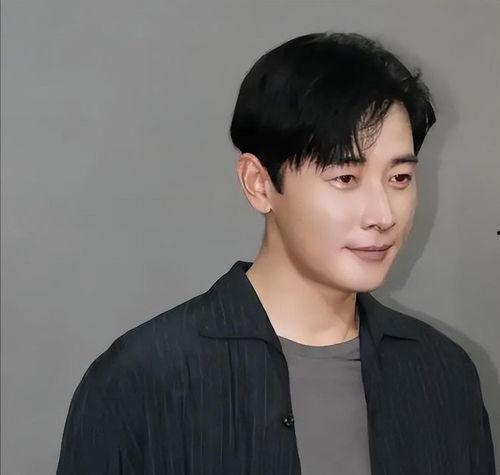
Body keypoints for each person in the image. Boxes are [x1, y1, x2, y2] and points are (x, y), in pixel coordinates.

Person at [56, 32, 496, 474]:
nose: (382, 215)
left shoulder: (442, 374)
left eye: (399, 178)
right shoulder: (141, 380)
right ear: (259, 183)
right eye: (345, 178)